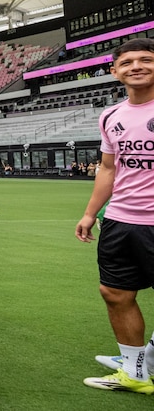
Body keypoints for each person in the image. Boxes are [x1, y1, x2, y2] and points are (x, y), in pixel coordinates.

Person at [76, 37, 154, 394]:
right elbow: (108, 169)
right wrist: (91, 213)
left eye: (146, 60)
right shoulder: (111, 115)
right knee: (115, 293)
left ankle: (146, 359)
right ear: (114, 71)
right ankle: (135, 373)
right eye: (127, 63)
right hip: (121, 221)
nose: (136, 67)